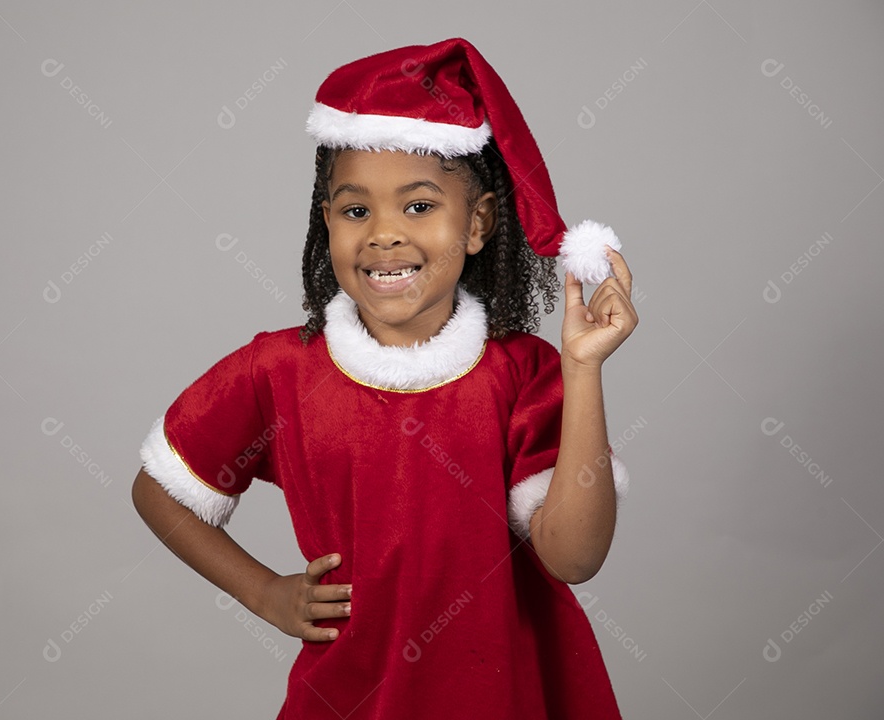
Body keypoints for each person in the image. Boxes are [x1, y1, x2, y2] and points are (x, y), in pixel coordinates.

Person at [132, 37, 639, 719]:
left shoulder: (522, 374)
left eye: (420, 206)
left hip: (507, 696)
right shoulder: (280, 370)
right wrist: (264, 594)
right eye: (356, 209)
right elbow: (159, 490)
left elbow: (574, 559)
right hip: (351, 698)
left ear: (479, 223)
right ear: (327, 222)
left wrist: (582, 368)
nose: (384, 234)